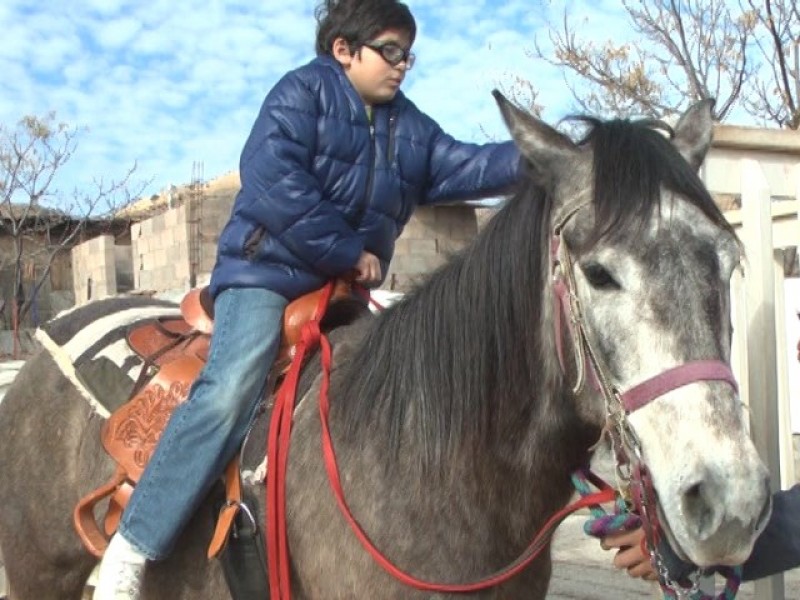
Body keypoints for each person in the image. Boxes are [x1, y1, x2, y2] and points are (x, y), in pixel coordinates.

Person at [93, 0, 521, 597]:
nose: (403, 65)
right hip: (265, 273)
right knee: (231, 388)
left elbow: (473, 165)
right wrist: (348, 252)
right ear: (344, 50)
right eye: (390, 51)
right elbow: (275, 185)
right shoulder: (300, 96)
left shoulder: (411, 129)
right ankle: (132, 547)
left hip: (339, 292)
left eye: (409, 54)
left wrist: (558, 154)